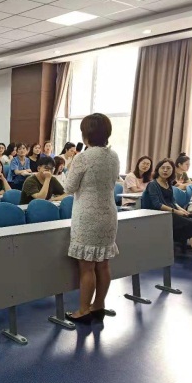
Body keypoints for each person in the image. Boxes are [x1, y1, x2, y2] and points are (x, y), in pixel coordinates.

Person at [64, 113, 120, 323]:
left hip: (88, 214)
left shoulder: (83, 157)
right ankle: (98, 306)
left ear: (86, 134)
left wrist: (70, 165)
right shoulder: (113, 156)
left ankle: (83, 310)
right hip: (108, 213)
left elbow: (69, 187)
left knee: (86, 266)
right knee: (103, 264)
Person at [145, 159, 192, 269]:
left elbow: (173, 201)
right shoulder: (153, 184)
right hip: (160, 215)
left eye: (168, 168)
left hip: (171, 213)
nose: (165, 170)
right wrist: (176, 211)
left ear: (172, 170)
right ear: (157, 169)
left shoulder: (167, 183)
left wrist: (182, 210)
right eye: (163, 168)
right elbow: (157, 204)